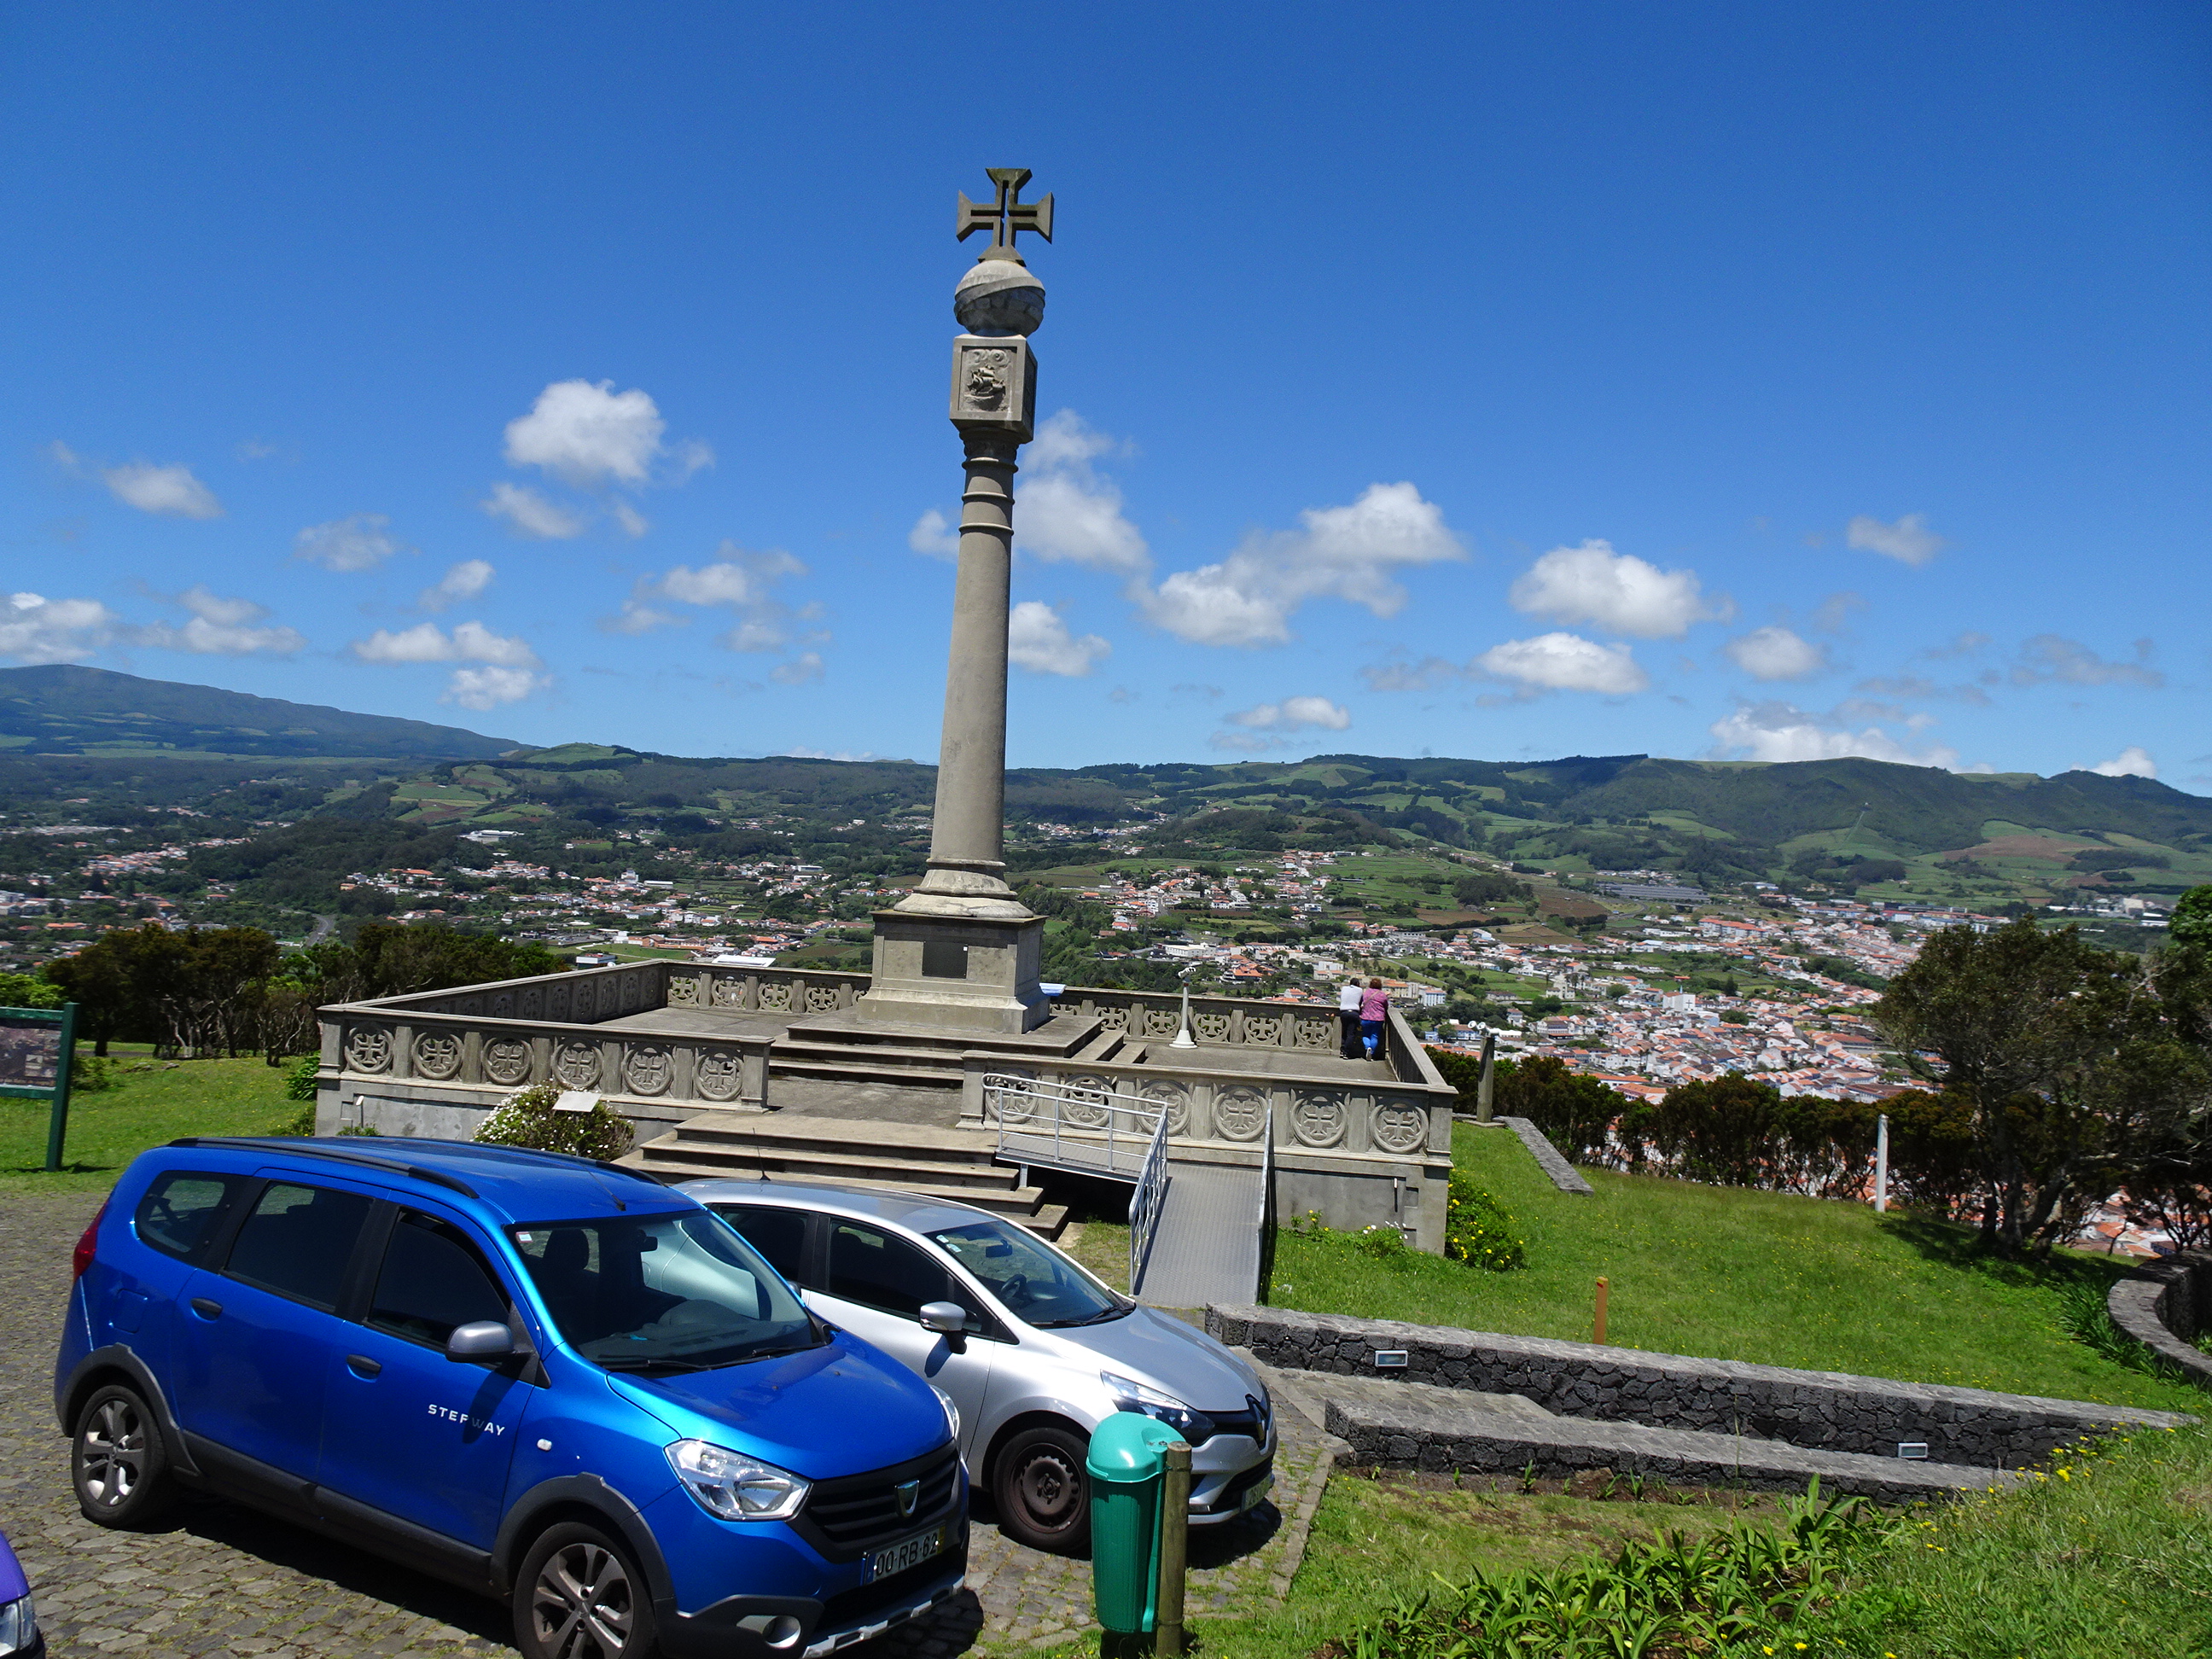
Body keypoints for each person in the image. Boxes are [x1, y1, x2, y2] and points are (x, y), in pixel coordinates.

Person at [1358, 977, 1391, 1060]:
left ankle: (1367, 1047)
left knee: (1365, 1035)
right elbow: (1386, 1005)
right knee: (1374, 1036)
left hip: (1365, 1017)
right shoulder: (1382, 994)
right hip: (1378, 1018)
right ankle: (1372, 1052)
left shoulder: (1367, 993)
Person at [1337, 978, 1364, 1058]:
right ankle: (1346, 1052)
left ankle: (1342, 1050)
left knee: (1344, 1032)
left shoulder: (1344, 988)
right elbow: (1360, 1002)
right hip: (1354, 1012)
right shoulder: (1360, 990)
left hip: (1344, 1012)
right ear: (1358, 984)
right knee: (1351, 1034)